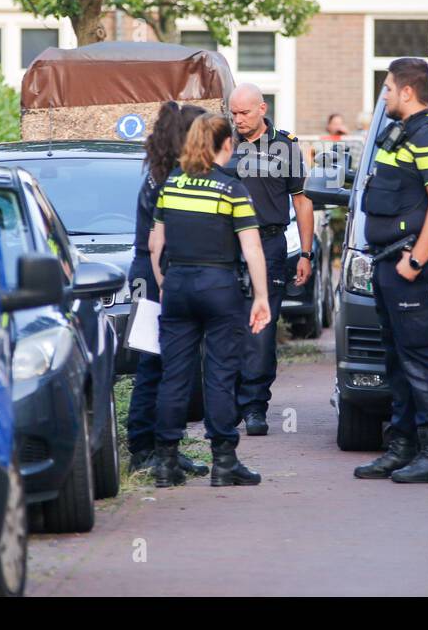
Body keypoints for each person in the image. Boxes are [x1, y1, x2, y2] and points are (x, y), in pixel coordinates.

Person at [148, 114, 271, 487]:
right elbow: (252, 250)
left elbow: (156, 244)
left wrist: (164, 284)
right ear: (226, 146)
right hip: (219, 286)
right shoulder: (232, 190)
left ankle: (166, 463)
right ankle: (224, 462)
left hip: (179, 284)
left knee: (175, 375)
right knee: (220, 374)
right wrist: (262, 297)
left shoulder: (172, 184)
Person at [353, 57, 428, 484]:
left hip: (412, 264)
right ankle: (401, 448)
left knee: (421, 358)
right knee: (397, 361)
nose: (384, 95)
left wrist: (414, 262)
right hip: (388, 262)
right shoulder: (400, 135)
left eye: (387, 88)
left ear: (407, 92)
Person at [125, 101, 207, 476]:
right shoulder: (170, 178)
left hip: (149, 270)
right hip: (156, 272)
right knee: (155, 362)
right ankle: (145, 448)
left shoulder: (161, 172)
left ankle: (161, 446)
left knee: (160, 363)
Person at [226, 83, 312, 436]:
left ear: (262, 109)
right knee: (227, 326)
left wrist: (306, 252)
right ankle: (227, 402)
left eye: (244, 113)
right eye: (233, 113)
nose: (238, 119)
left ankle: (254, 406)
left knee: (261, 329)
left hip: (269, 244)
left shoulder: (285, 146)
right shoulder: (223, 143)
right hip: (226, 247)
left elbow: (302, 200)